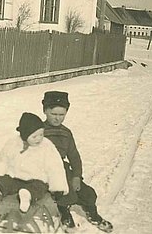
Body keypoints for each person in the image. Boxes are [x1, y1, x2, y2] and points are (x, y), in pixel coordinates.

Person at [41, 91, 113, 232]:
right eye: (53, 114)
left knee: (87, 193)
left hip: (63, 169)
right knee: (65, 192)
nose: (57, 119)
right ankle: (64, 213)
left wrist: (76, 177)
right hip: (47, 172)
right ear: (45, 111)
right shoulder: (38, 132)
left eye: (61, 115)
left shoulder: (66, 133)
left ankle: (93, 215)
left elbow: (74, 157)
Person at [0, 112, 69, 213]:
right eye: (34, 136)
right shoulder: (13, 143)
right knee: (5, 181)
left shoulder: (47, 146)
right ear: (24, 135)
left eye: (41, 134)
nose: (39, 138)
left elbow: (55, 167)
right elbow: (3, 162)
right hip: (16, 179)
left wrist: (58, 187)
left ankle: (27, 196)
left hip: (37, 180)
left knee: (38, 188)